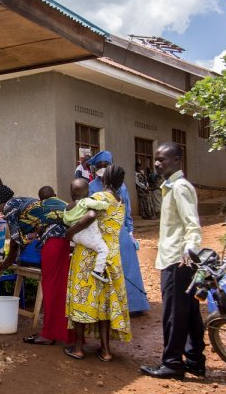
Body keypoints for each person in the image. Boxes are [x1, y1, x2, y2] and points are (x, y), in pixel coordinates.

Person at [140, 142, 205, 380]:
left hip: (178, 260)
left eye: (163, 159)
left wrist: (189, 251)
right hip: (177, 258)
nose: (157, 163)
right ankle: (195, 360)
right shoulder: (170, 187)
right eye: (156, 159)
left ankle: (172, 363)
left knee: (174, 314)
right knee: (189, 313)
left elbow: (192, 225)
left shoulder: (179, 187)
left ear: (177, 160)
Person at [0, 185, 73, 345]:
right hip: (64, 241)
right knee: (60, 289)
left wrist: (4, 265)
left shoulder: (9, 208)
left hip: (52, 244)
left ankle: (48, 334)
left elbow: (16, 240)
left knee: (50, 289)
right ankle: (64, 332)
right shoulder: (25, 201)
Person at [65, 165, 132, 361]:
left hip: (89, 255)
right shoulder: (120, 202)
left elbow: (90, 215)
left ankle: (77, 348)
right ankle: (106, 350)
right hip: (111, 257)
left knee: (82, 299)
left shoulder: (101, 197)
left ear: (103, 180)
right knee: (104, 304)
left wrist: (71, 231)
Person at [88, 151, 150, 315]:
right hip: (100, 233)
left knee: (128, 267)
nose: (103, 169)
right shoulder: (91, 187)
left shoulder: (122, 187)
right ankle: (108, 307)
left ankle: (134, 306)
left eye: (105, 166)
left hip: (120, 233)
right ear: (95, 169)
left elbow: (127, 212)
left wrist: (130, 232)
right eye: (100, 166)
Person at [63, 178, 110, 282]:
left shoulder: (68, 207)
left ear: (71, 192)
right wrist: (105, 203)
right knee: (103, 249)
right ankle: (98, 271)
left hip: (75, 237)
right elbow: (97, 205)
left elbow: (65, 221)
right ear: (88, 192)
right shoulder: (85, 201)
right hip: (86, 233)